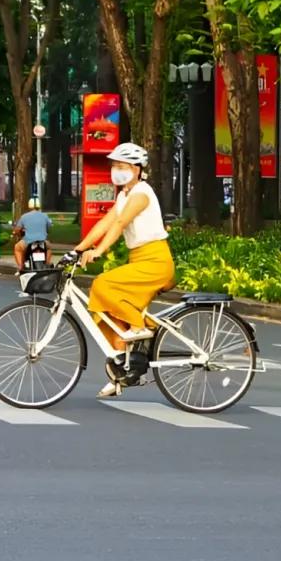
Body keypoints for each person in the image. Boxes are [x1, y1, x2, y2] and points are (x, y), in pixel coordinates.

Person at [72, 142, 175, 398]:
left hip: (155, 262)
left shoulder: (141, 193)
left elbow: (119, 223)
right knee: (105, 307)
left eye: (123, 166)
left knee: (103, 285)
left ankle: (141, 326)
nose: (116, 171)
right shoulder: (124, 195)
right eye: (114, 166)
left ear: (137, 169)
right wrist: (77, 249)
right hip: (139, 260)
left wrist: (99, 251)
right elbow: (104, 223)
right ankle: (125, 366)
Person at [12, 196, 53, 272]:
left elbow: (17, 229)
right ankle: (47, 264)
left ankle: (20, 267)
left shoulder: (24, 217)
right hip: (43, 241)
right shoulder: (45, 216)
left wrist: (15, 233)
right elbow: (49, 227)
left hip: (28, 241)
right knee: (49, 248)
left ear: (29, 205)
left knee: (17, 248)